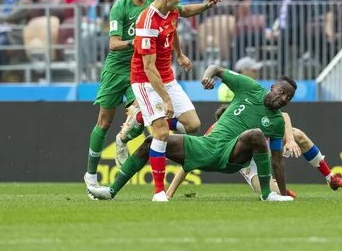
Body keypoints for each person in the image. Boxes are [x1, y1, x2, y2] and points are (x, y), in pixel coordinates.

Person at [83, 0, 221, 193]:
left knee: (140, 121)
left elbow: (179, 15)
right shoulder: (120, 8)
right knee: (105, 122)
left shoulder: (158, 3)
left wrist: (180, 51)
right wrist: (137, 40)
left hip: (144, 72)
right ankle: (90, 174)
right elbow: (113, 44)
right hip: (117, 69)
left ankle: (126, 134)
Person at [87, 65, 297, 202]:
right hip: (207, 146)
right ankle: (111, 191)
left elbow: (277, 160)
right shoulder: (250, 87)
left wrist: (284, 192)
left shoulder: (277, 122)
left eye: (289, 97)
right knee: (151, 141)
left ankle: (268, 195)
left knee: (256, 134)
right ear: (272, 87)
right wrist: (207, 77)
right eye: (282, 92)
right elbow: (215, 68)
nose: (284, 98)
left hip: (232, 157)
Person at [166, 105, 342, 198]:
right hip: (246, 160)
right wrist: (169, 193)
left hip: (263, 142)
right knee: (272, 195)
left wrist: (290, 140)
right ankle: (276, 186)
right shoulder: (214, 134)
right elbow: (188, 163)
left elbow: (283, 115)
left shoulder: (245, 116)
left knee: (298, 134)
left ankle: (330, 178)